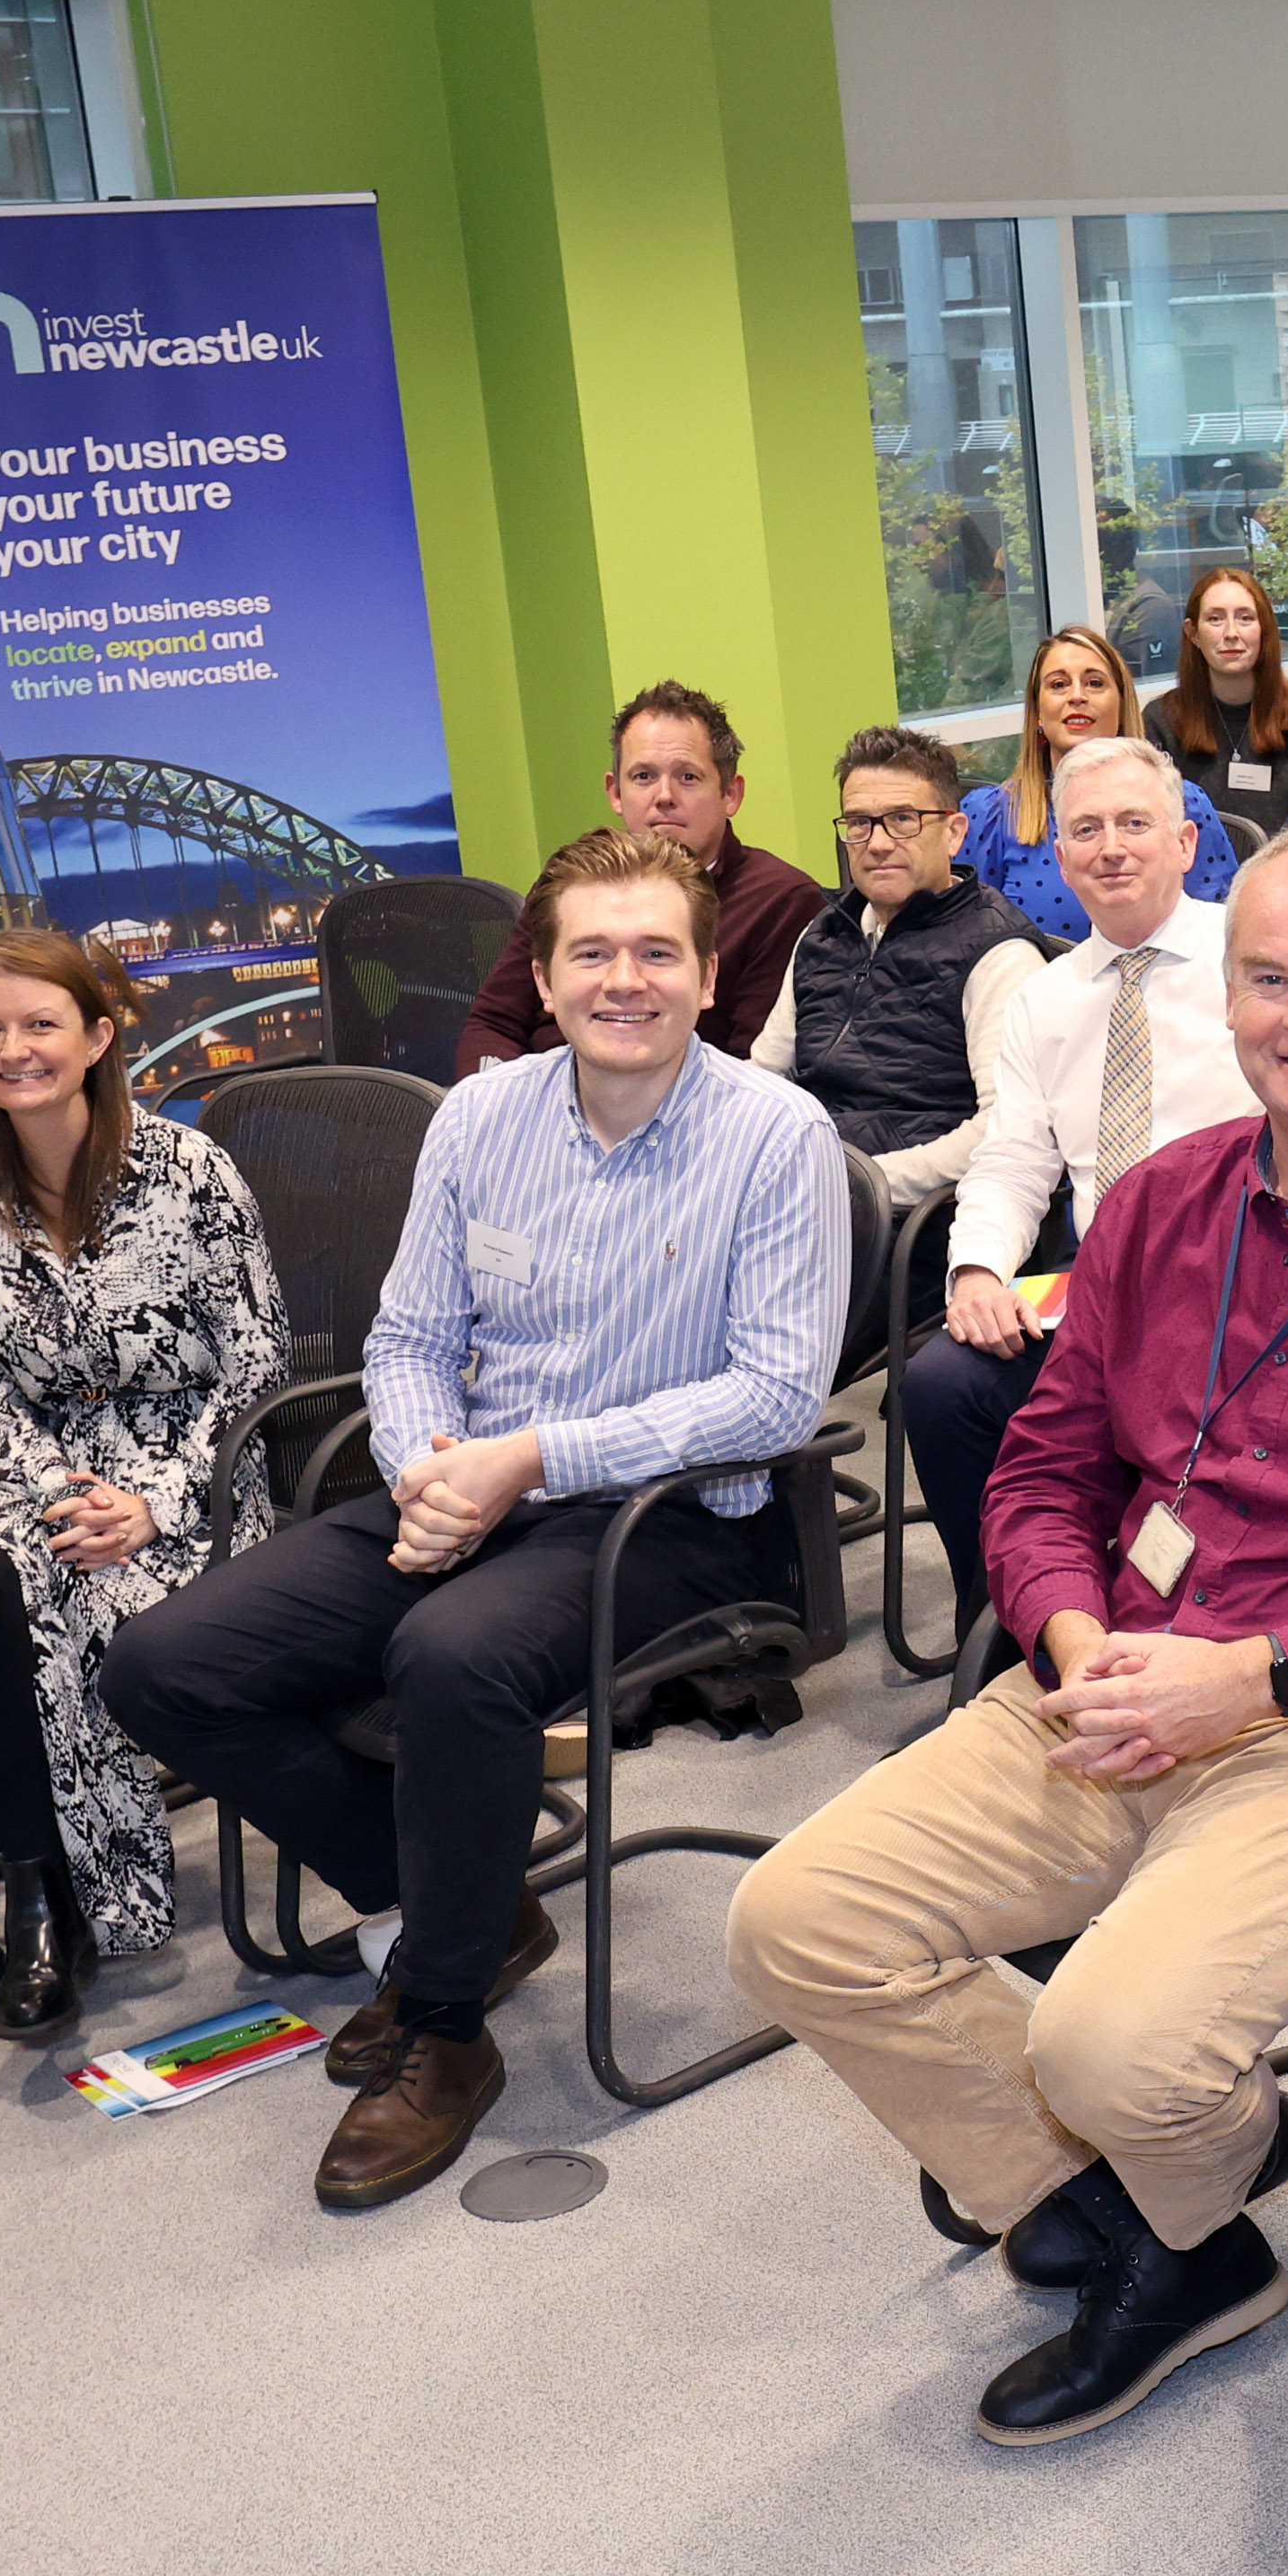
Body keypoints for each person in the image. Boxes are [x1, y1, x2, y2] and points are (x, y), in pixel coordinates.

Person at [725, 822, 1288, 2444]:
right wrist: (1071, 1636)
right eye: (1272, 982)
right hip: (1115, 1676)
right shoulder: (1158, 1206)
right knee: (793, 1925)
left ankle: (1170, 2199)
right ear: (1225, 996)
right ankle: (1175, 2193)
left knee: (1108, 2039)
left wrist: (1257, 1678)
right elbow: (1045, 1468)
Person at [106, 828, 850, 2210]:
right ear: (547, 977)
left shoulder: (775, 1135)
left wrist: (526, 1462)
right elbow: (406, 1341)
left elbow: (769, 1399)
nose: (625, 980)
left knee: (450, 1660)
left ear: (704, 972)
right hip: (465, 1485)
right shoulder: (478, 1118)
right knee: (163, 1667)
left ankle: (444, 2025)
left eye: (657, 953)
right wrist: (428, 1466)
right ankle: (471, 1909)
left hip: (672, 1516)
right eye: (593, 955)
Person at [0, 931, 290, 2056]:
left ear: (99, 1038)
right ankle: (41, 1897)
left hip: (191, 1474)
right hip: (35, 1467)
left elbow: (257, 1365)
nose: (13, 1050)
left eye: (40, 1024)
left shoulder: (190, 1169)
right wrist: (61, 1487)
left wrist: (150, 1499)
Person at [910, 737, 1256, 1624]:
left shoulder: (1257, 962)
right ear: (1060, 858)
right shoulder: (1046, 1000)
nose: (1111, 847)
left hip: (1243, 1282)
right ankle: (1004, 1633)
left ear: (1184, 842)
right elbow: (1014, 1159)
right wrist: (980, 1269)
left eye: (1135, 824)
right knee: (942, 1386)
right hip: (1099, 1290)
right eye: (1087, 830)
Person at [455, 682, 828, 1068]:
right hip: (544, 1099)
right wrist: (496, 1107)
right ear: (615, 793)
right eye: (644, 777)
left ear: (730, 793)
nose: (664, 796)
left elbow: (752, 1066)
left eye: (688, 777)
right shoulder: (574, 883)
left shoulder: (782, 899)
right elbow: (494, 1023)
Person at [754, 727, 1047, 1204]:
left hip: (908, 1224)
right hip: (802, 1193)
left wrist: (858, 1184)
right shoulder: (825, 931)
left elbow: (1004, 1129)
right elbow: (766, 1076)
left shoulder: (1000, 955)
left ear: (954, 833)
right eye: (859, 823)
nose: (877, 843)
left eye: (903, 820)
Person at [961, 628, 1241, 941]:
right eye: (1058, 685)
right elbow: (966, 943)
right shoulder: (991, 815)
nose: (1077, 696)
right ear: (1038, 713)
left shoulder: (1184, 802)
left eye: (1095, 683)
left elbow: (1224, 931)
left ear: (1121, 705)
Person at [1147, 562, 1288, 853]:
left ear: (1264, 629)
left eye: (1245, 618)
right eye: (1215, 619)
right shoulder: (1159, 722)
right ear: (1193, 633)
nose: (1231, 633)